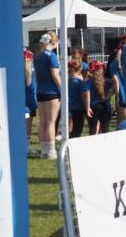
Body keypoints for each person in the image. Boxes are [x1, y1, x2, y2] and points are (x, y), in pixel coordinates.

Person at [33, 31, 62, 159]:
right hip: (51, 92)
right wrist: (62, 87)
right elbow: (55, 75)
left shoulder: (37, 56)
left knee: (43, 121)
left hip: (40, 91)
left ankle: (44, 150)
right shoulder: (51, 56)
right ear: (54, 42)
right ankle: (51, 151)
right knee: (51, 121)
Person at [83, 61, 113, 135]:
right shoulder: (107, 81)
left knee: (92, 130)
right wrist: (110, 95)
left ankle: (92, 145)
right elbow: (115, 83)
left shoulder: (88, 82)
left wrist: (87, 108)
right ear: (102, 69)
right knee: (105, 130)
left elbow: (87, 94)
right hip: (106, 106)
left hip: (93, 107)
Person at [67, 60, 87, 138]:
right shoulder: (79, 82)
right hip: (79, 107)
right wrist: (86, 106)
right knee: (78, 128)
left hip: (71, 106)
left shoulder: (68, 81)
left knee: (75, 126)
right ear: (79, 69)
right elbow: (83, 96)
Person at [23, 49, 37, 156]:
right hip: (29, 103)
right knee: (27, 126)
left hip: (25, 103)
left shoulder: (23, 71)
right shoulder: (31, 72)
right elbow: (32, 88)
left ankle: (26, 146)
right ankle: (26, 147)